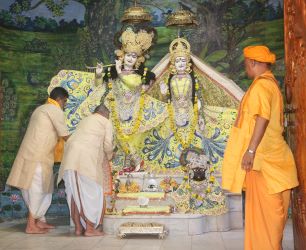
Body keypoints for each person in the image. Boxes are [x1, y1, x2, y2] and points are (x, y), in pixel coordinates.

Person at [222, 45, 299, 250]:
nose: (246, 68)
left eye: (246, 64)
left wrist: (250, 150)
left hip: (264, 165)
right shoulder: (272, 84)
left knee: (265, 225)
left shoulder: (260, 87)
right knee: (273, 226)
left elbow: (262, 117)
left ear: (253, 62)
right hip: (280, 164)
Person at [6, 87, 70, 234]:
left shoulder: (41, 109)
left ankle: (39, 221)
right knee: (37, 190)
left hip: (34, 155)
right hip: (38, 156)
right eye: (65, 101)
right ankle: (30, 225)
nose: (65, 105)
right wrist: (80, 143)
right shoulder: (54, 110)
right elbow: (64, 134)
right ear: (60, 99)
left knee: (42, 190)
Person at [58, 104, 113, 236]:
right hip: (86, 160)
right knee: (92, 194)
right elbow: (108, 144)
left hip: (70, 159)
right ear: (106, 114)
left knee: (74, 195)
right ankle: (89, 229)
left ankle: (78, 228)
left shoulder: (85, 120)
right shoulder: (106, 122)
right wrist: (110, 155)